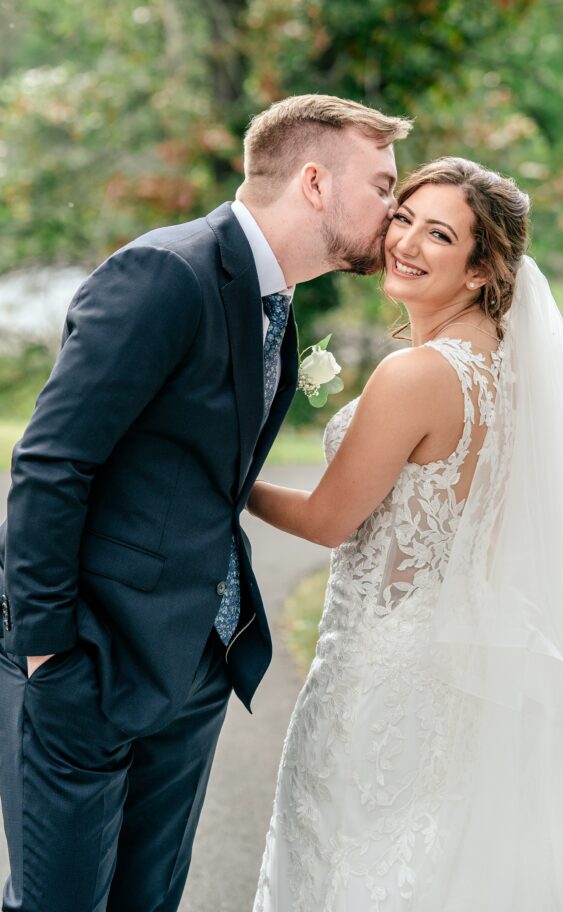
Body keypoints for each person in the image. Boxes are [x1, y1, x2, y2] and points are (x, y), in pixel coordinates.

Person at [0, 94, 411, 912]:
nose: (394, 210)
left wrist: (205, 664)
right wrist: (48, 652)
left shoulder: (275, 305)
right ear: (315, 182)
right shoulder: (168, 271)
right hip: (89, 659)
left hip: (192, 668)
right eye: (382, 184)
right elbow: (51, 462)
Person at [248, 157, 563, 911]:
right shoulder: (510, 369)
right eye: (405, 217)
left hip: (384, 670)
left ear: (482, 269)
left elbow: (327, 521)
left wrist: (225, 480)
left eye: (439, 235)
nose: (405, 242)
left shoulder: (415, 375)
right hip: (468, 662)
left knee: (353, 860)